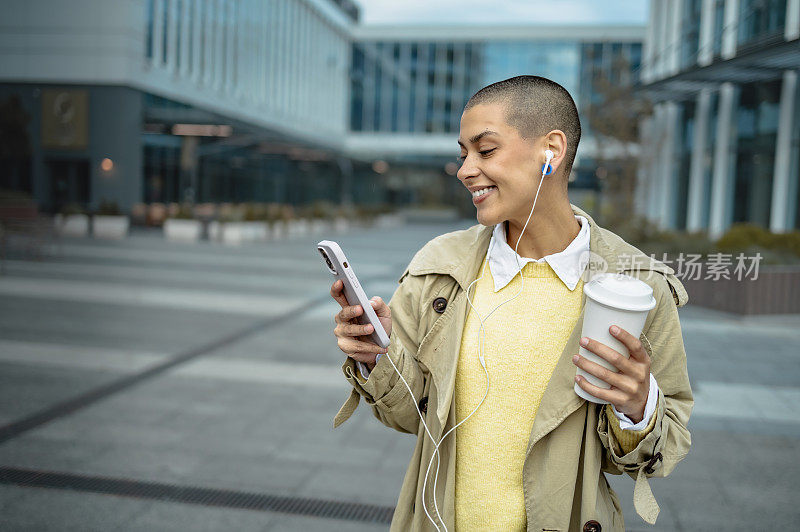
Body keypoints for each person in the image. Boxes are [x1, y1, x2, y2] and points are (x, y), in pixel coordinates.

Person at [329, 75, 692, 532]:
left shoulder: (638, 286)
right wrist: (373, 357)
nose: (464, 170)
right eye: (463, 154)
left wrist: (637, 407)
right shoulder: (439, 267)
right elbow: (406, 414)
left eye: (485, 150)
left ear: (551, 150)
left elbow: (662, 448)